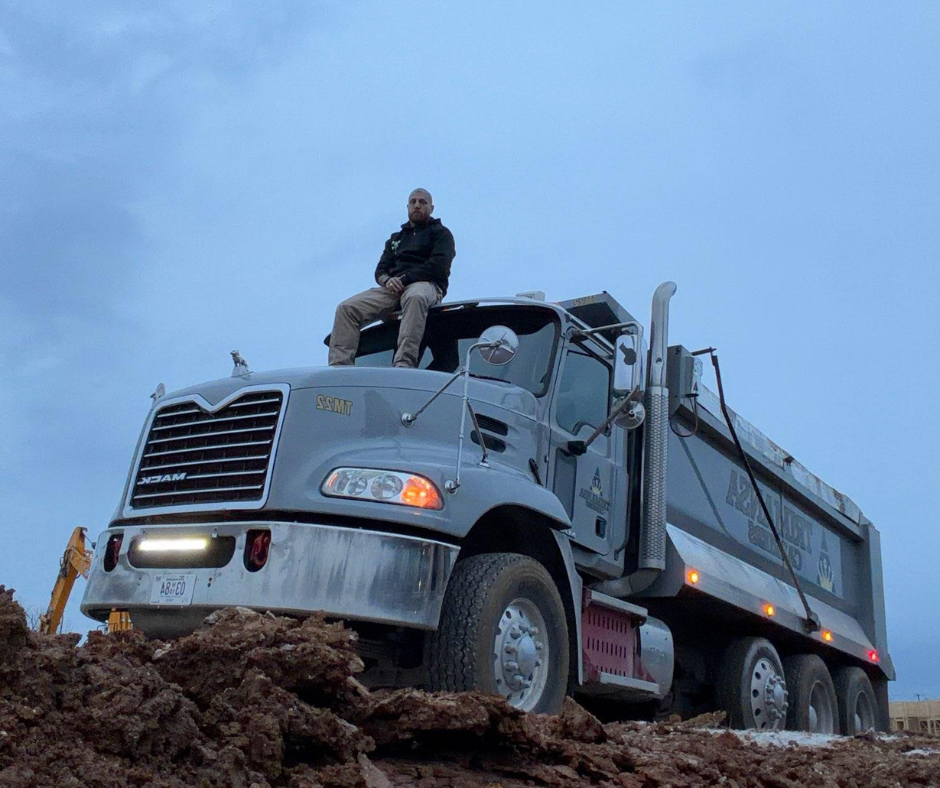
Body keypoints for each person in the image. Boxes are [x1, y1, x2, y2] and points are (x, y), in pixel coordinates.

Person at [328, 188, 456, 368]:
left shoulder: (441, 234)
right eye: (413, 202)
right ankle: (339, 368)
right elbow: (380, 269)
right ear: (407, 207)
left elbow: (438, 266)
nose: (417, 205)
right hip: (392, 289)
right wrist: (387, 280)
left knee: (415, 298)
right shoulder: (396, 239)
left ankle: (404, 364)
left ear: (432, 208)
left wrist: (404, 279)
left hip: (426, 285)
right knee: (346, 309)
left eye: (422, 202)